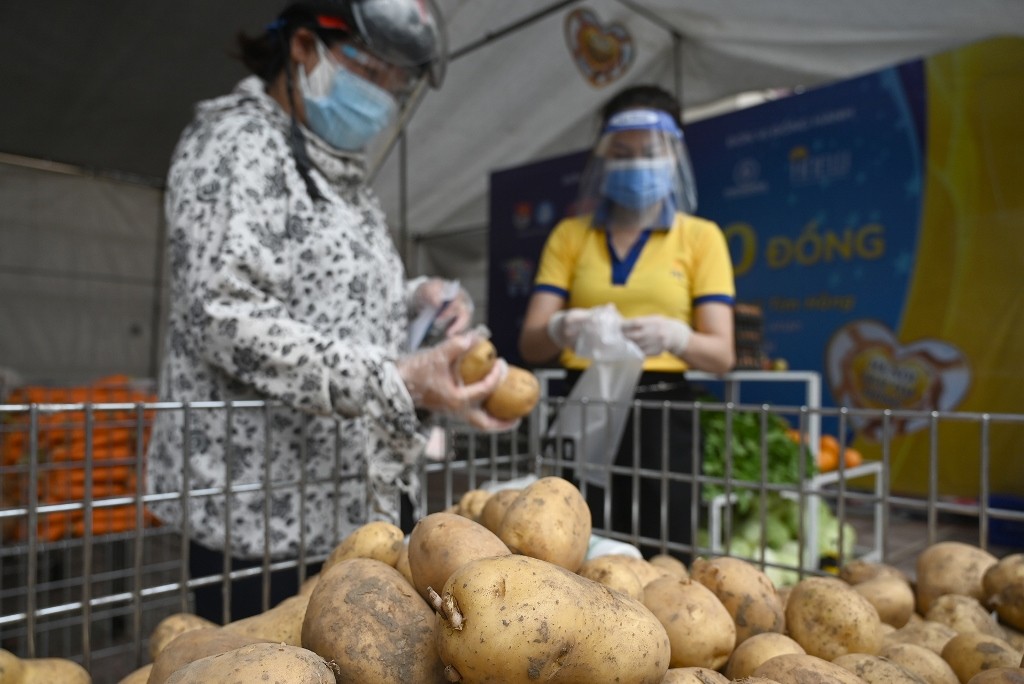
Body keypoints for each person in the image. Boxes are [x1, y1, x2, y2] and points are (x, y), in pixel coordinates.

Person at [146, 0, 515, 623]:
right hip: (262, 519)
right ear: (304, 48)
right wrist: (395, 378)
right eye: (371, 72)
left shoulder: (338, 171)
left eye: (397, 84)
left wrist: (414, 300)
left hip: (353, 507)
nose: (383, 95)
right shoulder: (236, 143)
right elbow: (226, 317)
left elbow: (330, 301)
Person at [518, 84, 736, 559]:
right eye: (622, 152)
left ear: (674, 155)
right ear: (602, 157)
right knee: (571, 548)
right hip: (585, 407)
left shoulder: (700, 237)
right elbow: (531, 344)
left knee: (664, 555)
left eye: (650, 152)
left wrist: (675, 336)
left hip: (664, 417)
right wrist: (558, 329)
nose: (636, 164)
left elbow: (722, 355)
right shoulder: (571, 235)